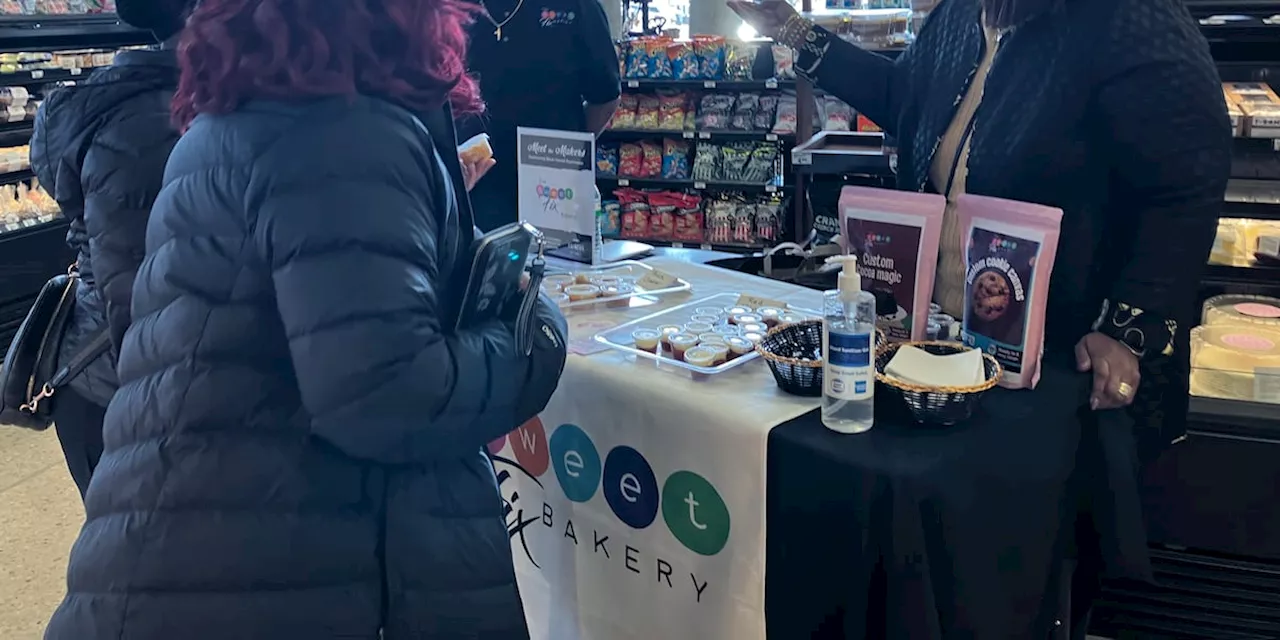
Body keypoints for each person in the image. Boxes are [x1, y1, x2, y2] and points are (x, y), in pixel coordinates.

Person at [44, 0, 568, 637]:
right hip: (271, 568)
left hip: (199, 550)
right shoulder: (345, 128)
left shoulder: (241, 111)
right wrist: (534, 333)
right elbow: (388, 397)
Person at [730, 0, 1230, 637]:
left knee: (1011, 564)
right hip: (947, 342)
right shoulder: (962, 17)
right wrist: (790, 29)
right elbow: (903, 94)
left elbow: (1187, 174)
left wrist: (1130, 327)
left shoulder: (1127, 16)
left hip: (1055, 362)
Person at [29, 0, 189, 500]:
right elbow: (138, 305)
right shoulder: (156, 120)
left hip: (90, 370)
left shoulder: (101, 106)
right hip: (124, 385)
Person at [461, 0, 621, 230]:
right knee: (476, 263)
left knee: (560, 263)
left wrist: (566, 149)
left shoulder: (577, 6)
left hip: (555, 188)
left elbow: (605, 95)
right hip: (473, 186)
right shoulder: (450, 8)